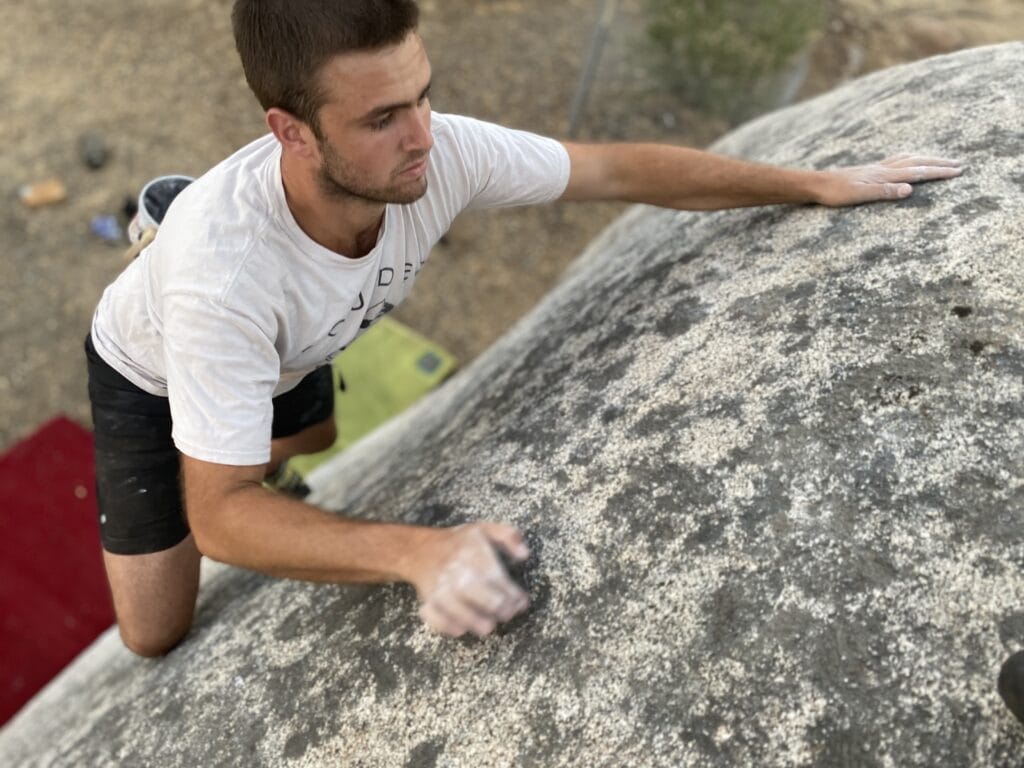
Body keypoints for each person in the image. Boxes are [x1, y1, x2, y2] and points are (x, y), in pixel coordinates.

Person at [85, 0, 963, 657]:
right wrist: (420, 555)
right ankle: (172, 241)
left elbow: (619, 169)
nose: (423, 137)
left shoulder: (441, 152)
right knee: (155, 633)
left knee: (316, 433)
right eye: (382, 118)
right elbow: (227, 523)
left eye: (423, 96)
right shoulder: (225, 282)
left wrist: (807, 183)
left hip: (293, 341)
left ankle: (220, 406)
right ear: (292, 133)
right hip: (151, 365)